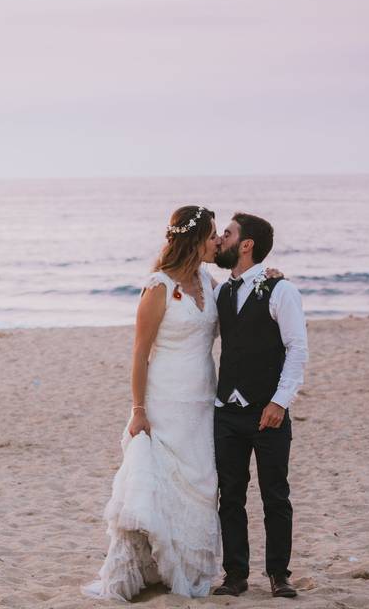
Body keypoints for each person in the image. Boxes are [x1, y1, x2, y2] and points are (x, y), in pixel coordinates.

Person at [83, 205, 261, 600]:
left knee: (199, 484)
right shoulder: (158, 287)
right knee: (163, 484)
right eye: (213, 235)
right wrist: (138, 410)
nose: (218, 241)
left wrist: (268, 278)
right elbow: (140, 353)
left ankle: (181, 567)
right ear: (195, 240)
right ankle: (153, 569)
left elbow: (243, 306)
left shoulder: (207, 281)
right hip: (164, 403)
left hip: (201, 403)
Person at [211, 212, 308, 599]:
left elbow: (297, 349)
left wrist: (280, 402)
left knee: (275, 495)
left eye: (228, 233)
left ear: (246, 244)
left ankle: (278, 575)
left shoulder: (281, 291)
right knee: (230, 495)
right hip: (226, 411)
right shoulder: (221, 292)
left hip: (268, 412)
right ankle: (235, 575)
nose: (221, 238)